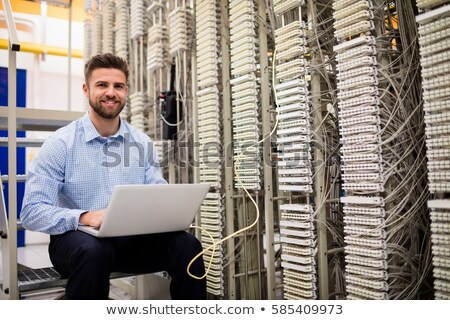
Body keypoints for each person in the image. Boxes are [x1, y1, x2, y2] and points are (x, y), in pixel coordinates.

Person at [20, 53, 207, 300]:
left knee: (188, 246)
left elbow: (156, 191)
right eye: (102, 85)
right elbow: (32, 211)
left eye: (118, 86)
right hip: (78, 243)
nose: (111, 92)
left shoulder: (141, 142)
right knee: (95, 251)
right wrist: (85, 217)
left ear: (126, 91)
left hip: (131, 243)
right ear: (86, 90)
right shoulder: (60, 144)